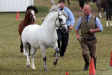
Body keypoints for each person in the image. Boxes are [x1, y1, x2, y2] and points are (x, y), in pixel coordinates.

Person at [75, 5, 103, 71]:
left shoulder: (95, 19)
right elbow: (76, 28)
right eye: (83, 10)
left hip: (93, 41)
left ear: (89, 11)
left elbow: (101, 29)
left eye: (85, 10)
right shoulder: (80, 19)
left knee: (93, 56)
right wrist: (78, 35)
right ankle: (87, 63)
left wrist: (93, 30)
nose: (83, 11)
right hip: (84, 41)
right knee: (84, 53)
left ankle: (93, 68)